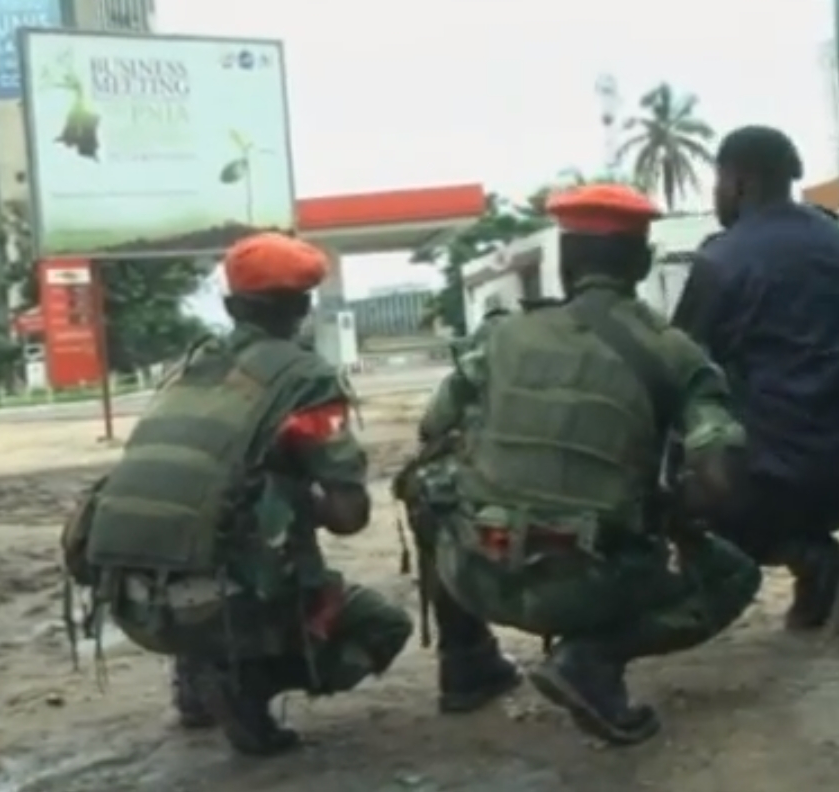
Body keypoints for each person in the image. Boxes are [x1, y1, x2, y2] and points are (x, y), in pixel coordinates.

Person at [413, 183, 760, 746]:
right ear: (643, 262)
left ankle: (466, 660)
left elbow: (432, 427)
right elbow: (721, 481)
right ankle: (593, 658)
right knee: (736, 576)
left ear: (565, 263)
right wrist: (672, 512)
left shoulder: (501, 335)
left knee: (426, 485)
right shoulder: (675, 353)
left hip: (474, 569)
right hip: (589, 587)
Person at [78, 232, 412, 757]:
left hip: (131, 602)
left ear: (231, 307)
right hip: (218, 607)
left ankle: (195, 689)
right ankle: (248, 686)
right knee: (382, 625)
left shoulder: (186, 369)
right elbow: (350, 514)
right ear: (302, 308)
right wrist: (299, 502)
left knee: (208, 520)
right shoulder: (305, 378)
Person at [672, 125, 839, 631]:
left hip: (773, 475)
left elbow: (677, 361)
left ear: (737, 182)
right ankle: (812, 562)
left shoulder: (720, 260)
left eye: (718, 182)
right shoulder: (834, 236)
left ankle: (799, 554)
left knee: (673, 477)